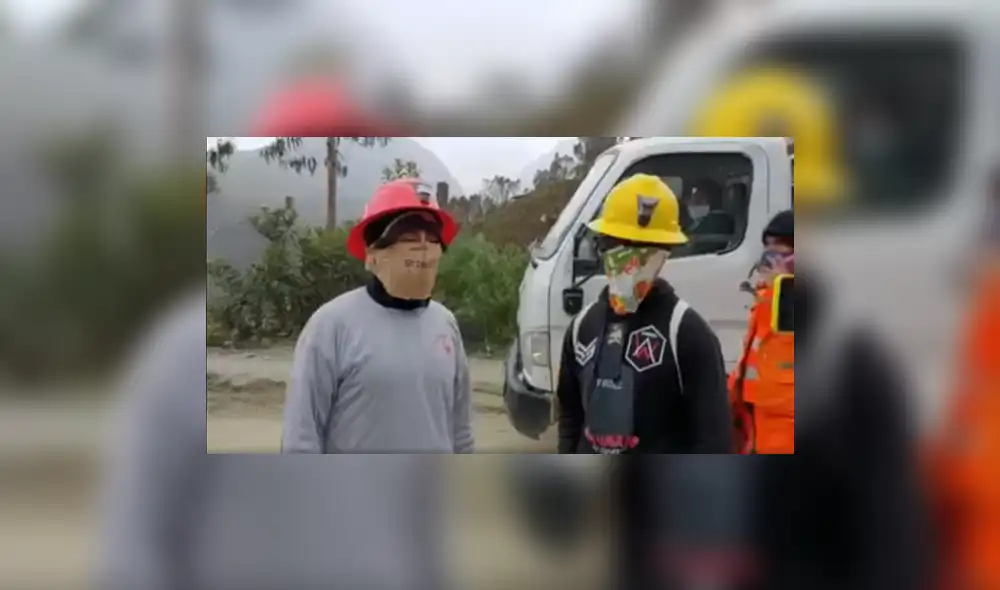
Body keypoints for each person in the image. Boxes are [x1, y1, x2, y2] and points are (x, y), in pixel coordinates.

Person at [281, 178, 474, 453]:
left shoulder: (445, 325)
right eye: (408, 239)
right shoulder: (331, 325)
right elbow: (301, 437)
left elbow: (461, 432)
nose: (422, 250)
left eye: (431, 240)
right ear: (373, 253)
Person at [556, 173, 733, 454]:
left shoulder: (687, 332)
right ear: (602, 245)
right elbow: (570, 418)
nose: (630, 261)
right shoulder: (582, 328)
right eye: (618, 245)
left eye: (644, 249)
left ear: (665, 254)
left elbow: (714, 439)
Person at [729, 209, 795, 454]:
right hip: (757, 422)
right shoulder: (764, 301)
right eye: (767, 247)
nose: (769, 257)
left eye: (779, 249)